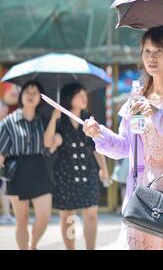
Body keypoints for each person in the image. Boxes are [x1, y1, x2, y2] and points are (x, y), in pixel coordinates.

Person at [83, 25, 163, 250]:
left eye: (159, 51)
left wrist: (158, 115)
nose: (151, 58)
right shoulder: (137, 97)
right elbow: (125, 147)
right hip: (144, 193)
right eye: (147, 51)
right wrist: (100, 134)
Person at [44, 83, 110, 250]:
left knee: (91, 214)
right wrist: (54, 116)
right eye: (79, 94)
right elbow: (48, 142)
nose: (84, 98)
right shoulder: (61, 120)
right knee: (68, 216)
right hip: (66, 173)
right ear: (69, 98)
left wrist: (104, 169)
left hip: (88, 171)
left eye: (84, 94)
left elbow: (97, 147)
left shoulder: (89, 119)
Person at [0, 81, 61, 249]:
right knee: (22, 219)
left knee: (44, 217)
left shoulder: (42, 121)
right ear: (21, 95)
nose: (31, 95)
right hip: (16, 170)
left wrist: (55, 120)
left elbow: (47, 146)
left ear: (40, 98)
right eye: (27, 91)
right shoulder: (9, 122)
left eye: (35, 92)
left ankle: (33, 244)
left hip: (39, 168)